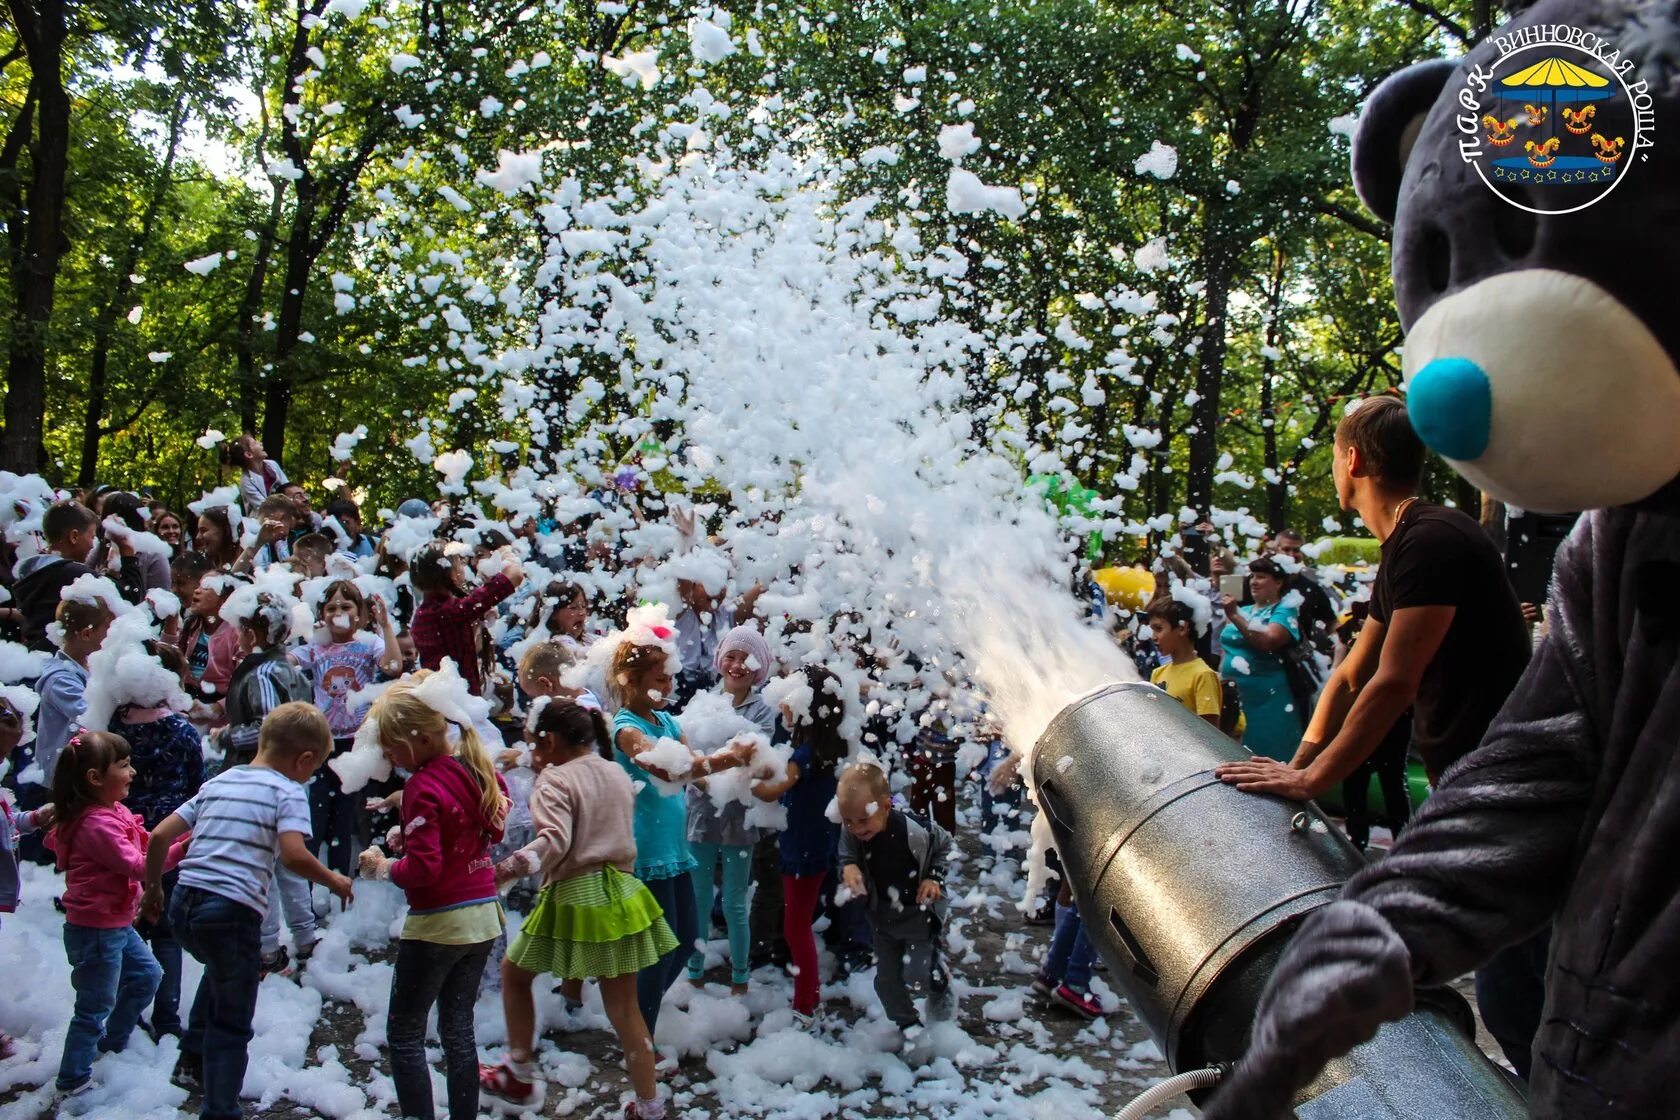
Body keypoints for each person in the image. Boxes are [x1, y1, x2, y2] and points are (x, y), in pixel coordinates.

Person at [1214, 394, 1534, 1071]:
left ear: (1353, 457)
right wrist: (1296, 768)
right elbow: (1351, 674)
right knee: (1508, 982)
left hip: (1506, 789)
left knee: (1517, 991)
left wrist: (1311, 779)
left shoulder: (1433, 541)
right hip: (1470, 788)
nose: (1333, 466)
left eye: (1334, 452)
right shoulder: (1407, 548)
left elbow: (1393, 682)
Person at [143, 702, 352, 1116]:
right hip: (231, 914)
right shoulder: (288, 790)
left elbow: (157, 838)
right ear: (304, 760)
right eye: (313, 770)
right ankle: (220, 1110)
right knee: (232, 1024)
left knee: (219, 970)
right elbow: (293, 856)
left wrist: (153, 891)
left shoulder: (221, 781)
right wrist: (335, 879)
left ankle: (190, 1059)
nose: (309, 777)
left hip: (185, 904)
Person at [481, 698, 676, 1119]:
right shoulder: (614, 771)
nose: (532, 755)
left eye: (534, 744)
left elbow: (554, 842)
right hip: (624, 891)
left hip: (577, 892)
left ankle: (519, 1071)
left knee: (514, 976)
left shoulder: (553, 780)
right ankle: (650, 1104)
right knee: (625, 1007)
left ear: (549, 741)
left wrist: (506, 870)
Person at [356, 674, 509, 1120]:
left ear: (418, 739)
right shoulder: (474, 767)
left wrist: (384, 867)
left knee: (404, 1033)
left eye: (390, 745)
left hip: (439, 922)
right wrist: (417, 830)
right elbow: (485, 827)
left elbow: (424, 871)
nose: (385, 755)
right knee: (458, 1030)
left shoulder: (423, 785)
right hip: (482, 917)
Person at [608, 630, 753, 1039]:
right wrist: (730, 757)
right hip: (645, 851)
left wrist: (752, 780)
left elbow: (696, 771)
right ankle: (640, 1038)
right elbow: (670, 769)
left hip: (674, 849)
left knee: (687, 941)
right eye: (659, 680)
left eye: (671, 678)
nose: (668, 687)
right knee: (658, 954)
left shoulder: (669, 721)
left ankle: (637, 1018)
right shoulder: (625, 727)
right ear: (629, 682)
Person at [46, 731, 188, 1100]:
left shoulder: (114, 811)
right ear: (95, 778)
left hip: (115, 923)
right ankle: (73, 1080)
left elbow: (146, 844)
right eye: (123, 766)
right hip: (94, 930)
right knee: (93, 1006)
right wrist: (185, 848)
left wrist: (175, 839)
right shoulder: (96, 825)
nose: (133, 772)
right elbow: (140, 866)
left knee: (147, 975)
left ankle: (112, 1046)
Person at [219, 591, 318, 975]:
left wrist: (227, 737)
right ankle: (306, 937)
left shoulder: (261, 673)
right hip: (291, 778)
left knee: (264, 865)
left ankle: (267, 948)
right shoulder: (289, 669)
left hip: (264, 779)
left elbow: (268, 727)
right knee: (290, 862)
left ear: (253, 630)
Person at [114, 640, 206, 1042]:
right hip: (169, 836)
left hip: (121, 836)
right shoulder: (181, 731)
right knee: (167, 929)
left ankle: (127, 1008)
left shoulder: (114, 728)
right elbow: (196, 786)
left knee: (125, 925)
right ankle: (167, 1016)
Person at [752, 666, 849, 1029]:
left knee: (795, 928)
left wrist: (743, 778)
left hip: (800, 848)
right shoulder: (830, 748)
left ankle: (805, 1005)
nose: (782, 704)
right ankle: (810, 998)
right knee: (801, 921)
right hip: (819, 844)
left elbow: (772, 790)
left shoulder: (803, 754)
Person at [836, 763, 955, 1047]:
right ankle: (909, 1026)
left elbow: (945, 846)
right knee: (887, 984)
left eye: (863, 821)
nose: (856, 828)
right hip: (882, 918)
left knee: (917, 976)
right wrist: (849, 867)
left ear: (887, 805)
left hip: (917, 915)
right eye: (848, 821)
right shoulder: (852, 831)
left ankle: (938, 980)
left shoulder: (915, 831)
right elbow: (846, 855)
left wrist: (932, 878)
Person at [685, 625, 776, 993]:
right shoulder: (703, 702)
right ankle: (693, 972)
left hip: (739, 816)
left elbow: (751, 761)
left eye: (747, 659)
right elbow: (686, 748)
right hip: (700, 813)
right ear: (720, 659)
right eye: (732, 657)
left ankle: (740, 977)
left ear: (760, 668)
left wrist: (703, 770)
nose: (737, 665)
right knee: (699, 897)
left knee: (735, 900)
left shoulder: (763, 711)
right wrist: (700, 774)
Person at [290, 581, 403, 875]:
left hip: (358, 743)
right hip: (324, 743)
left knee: (347, 816)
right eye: (331, 608)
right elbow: (288, 659)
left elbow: (393, 666)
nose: (338, 613)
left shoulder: (368, 642)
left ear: (359, 614)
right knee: (316, 815)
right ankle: (313, 884)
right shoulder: (316, 647)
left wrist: (385, 627)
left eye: (345, 606)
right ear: (322, 614)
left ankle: (344, 884)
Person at [14, 501, 139, 650]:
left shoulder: (35, 571)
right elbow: (128, 598)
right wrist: (127, 552)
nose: (93, 545)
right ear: (74, 536)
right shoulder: (72, 574)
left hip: (37, 656)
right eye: (91, 536)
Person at [408, 541, 524, 699]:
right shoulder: (450, 611)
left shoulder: (426, 612)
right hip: (457, 702)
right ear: (450, 572)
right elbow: (515, 575)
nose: (464, 566)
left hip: (441, 699)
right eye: (459, 562)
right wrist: (505, 553)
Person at [1217, 556, 1304, 761]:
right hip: (1237, 698)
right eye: (1252, 576)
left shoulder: (1284, 609)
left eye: (1262, 577)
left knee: (1267, 755)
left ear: (1279, 582)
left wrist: (1234, 616)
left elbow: (1269, 641)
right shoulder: (1245, 609)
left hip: (1269, 700)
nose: (1254, 582)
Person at [1147, 597, 1226, 729]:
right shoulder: (1158, 673)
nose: (1153, 636)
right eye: (1152, 630)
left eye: (1159, 629)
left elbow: (1210, 735)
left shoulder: (1203, 675)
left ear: (1182, 628)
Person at [221, 434, 288, 515]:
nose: (260, 443)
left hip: (285, 512)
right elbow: (265, 508)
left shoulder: (272, 465)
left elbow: (288, 488)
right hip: (264, 522)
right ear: (249, 454)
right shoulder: (246, 482)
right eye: (255, 443)